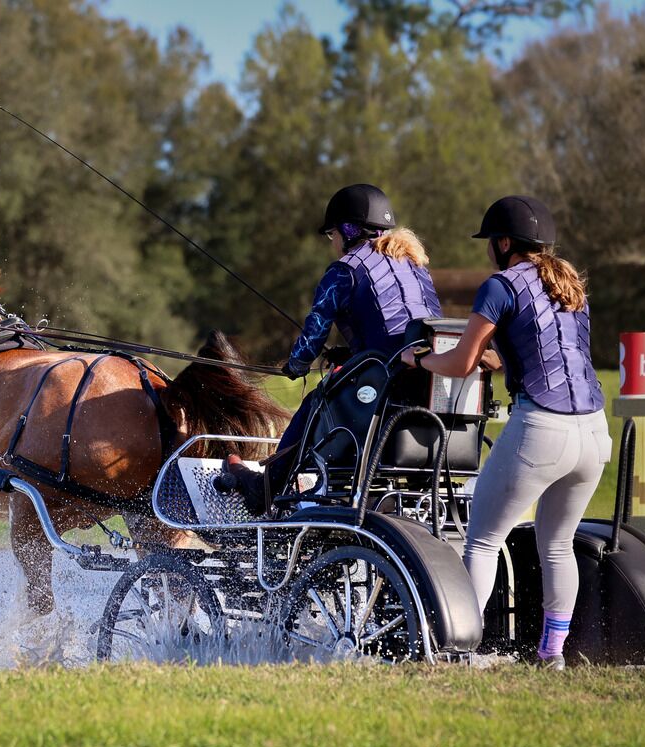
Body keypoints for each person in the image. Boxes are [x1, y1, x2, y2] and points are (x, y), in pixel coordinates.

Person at [400, 195, 609, 670]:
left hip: (542, 429)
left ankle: (460, 651)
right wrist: (502, 359)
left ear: (505, 243)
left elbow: (461, 362)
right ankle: (552, 653)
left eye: (490, 241)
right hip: (594, 433)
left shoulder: (500, 285)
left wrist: (419, 360)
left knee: (482, 540)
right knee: (557, 545)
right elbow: (550, 351)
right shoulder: (570, 283)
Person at [219, 183, 442, 514]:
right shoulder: (414, 265)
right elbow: (401, 327)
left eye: (332, 234)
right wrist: (349, 355)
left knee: (316, 401)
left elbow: (313, 334)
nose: (333, 243)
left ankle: (265, 487)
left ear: (349, 231)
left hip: (384, 385)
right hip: (426, 386)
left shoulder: (345, 269)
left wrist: (296, 365)